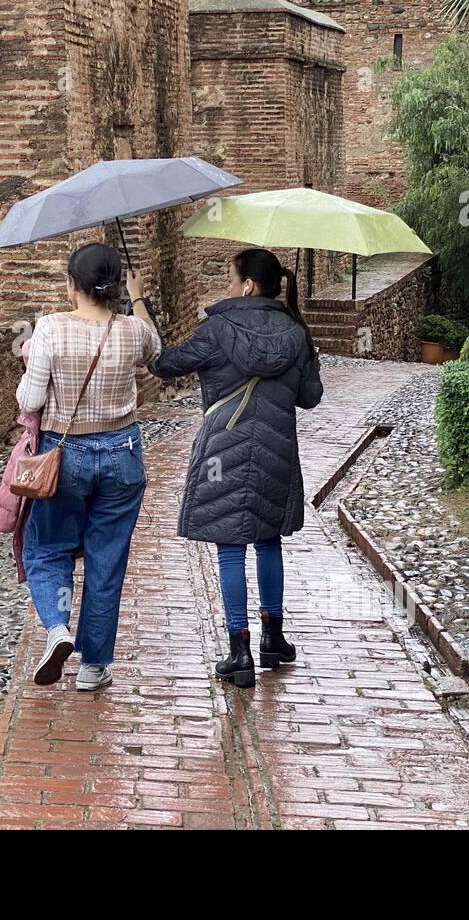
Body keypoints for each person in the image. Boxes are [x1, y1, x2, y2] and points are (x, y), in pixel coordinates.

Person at [151, 249, 322, 689]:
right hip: (277, 450)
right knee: (267, 543)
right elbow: (310, 397)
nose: (228, 286)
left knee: (229, 547)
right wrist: (309, 355)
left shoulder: (218, 329)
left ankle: (239, 649)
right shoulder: (295, 333)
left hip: (220, 455)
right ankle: (274, 639)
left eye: (231, 278)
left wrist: (139, 307)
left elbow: (164, 364)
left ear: (247, 285)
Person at [16, 242, 161, 691]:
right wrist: (137, 300)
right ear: (115, 285)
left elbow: (30, 400)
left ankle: (58, 629)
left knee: (47, 549)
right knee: (106, 559)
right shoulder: (131, 330)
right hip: (123, 453)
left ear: (70, 285)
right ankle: (94, 666)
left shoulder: (51, 328)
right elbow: (157, 352)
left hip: (67, 455)